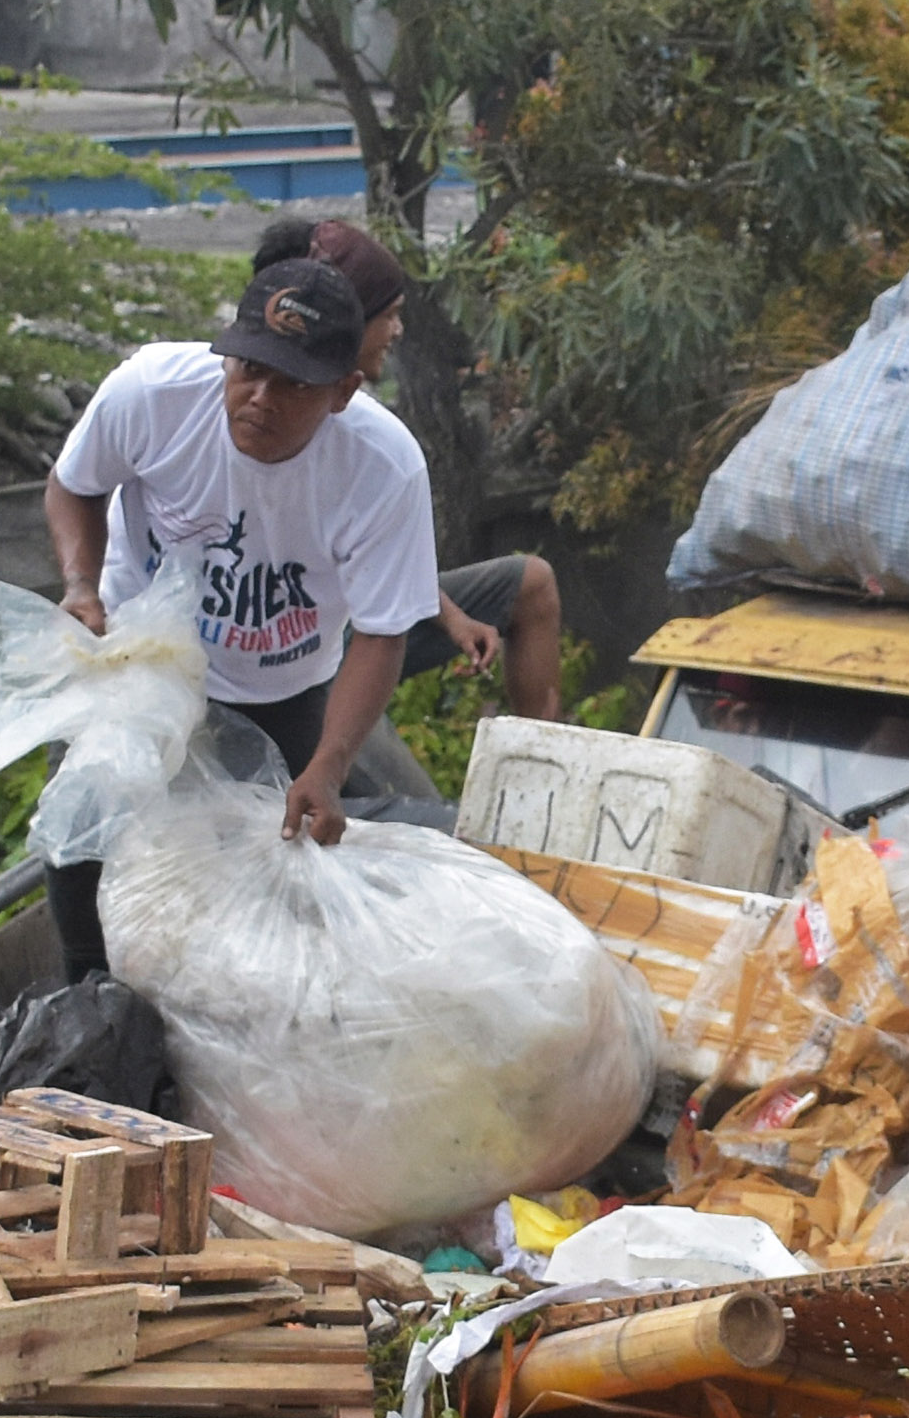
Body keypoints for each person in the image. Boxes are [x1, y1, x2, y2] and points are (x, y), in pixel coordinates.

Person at [40, 256, 437, 974]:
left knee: (266, 886)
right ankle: (86, 998)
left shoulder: (384, 468)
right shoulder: (152, 391)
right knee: (84, 847)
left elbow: (381, 634)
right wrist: (80, 584)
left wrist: (329, 762)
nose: (259, 397)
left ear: (344, 391)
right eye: (248, 367)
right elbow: (74, 485)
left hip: (279, 690)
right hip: (140, 666)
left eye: (293, 383)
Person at [241, 213, 564, 722]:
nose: (398, 330)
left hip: (352, 625)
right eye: (387, 315)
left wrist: (452, 616)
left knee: (531, 582)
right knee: (395, 797)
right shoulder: (248, 415)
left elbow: (376, 561)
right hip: (295, 657)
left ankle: (544, 770)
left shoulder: (372, 441)